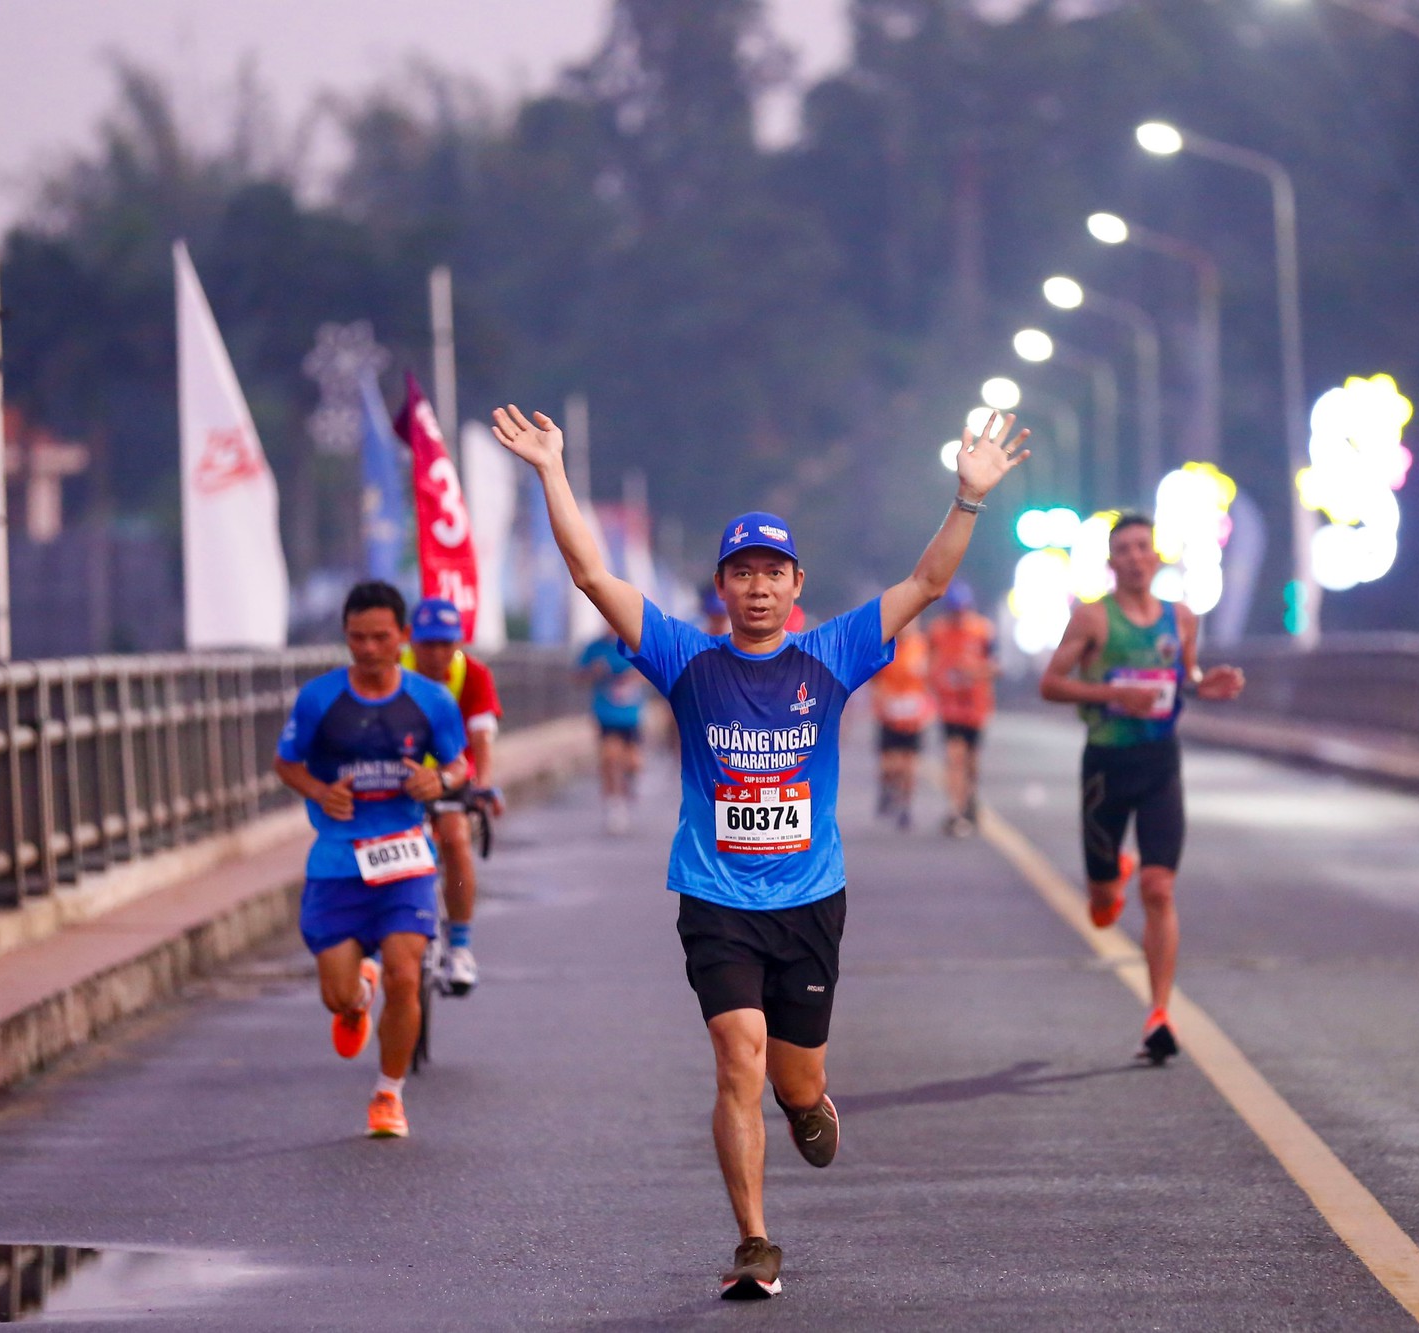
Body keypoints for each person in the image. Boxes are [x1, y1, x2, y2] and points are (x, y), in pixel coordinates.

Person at [492, 400, 1028, 1301]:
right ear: (722, 589)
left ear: (795, 584)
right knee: (736, 1052)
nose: (758, 588)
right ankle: (754, 1239)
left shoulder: (833, 654)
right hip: (716, 895)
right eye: (741, 573)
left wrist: (968, 500)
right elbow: (590, 573)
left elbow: (926, 585)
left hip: (810, 898)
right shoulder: (684, 660)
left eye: (772, 572)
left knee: (791, 1076)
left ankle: (808, 1101)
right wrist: (551, 471)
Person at [1038, 514, 1245, 1065]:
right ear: (1112, 563)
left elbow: (1185, 678)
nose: (1134, 556)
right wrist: (1110, 694)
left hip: (1160, 763)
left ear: (1157, 557)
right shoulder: (1092, 619)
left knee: (1160, 889)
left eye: (1142, 547)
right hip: (1106, 767)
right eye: (1123, 549)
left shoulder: (1182, 619)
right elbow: (1050, 683)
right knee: (1104, 907)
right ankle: (1111, 879)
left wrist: (1206, 686)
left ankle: (1159, 1014)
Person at [274, 580, 471, 1139]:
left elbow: (461, 765)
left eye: (380, 637)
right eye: (357, 638)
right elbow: (286, 763)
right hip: (337, 863)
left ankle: (388, 1095)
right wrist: (318, 791)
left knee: (406, 978)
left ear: (402, 637)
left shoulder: (431, 701)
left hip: (403, 861)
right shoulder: (319, 699)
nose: (368, 649)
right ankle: (358, 992)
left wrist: (440, 779)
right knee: (335, 996)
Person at [402, 597, 504, 996]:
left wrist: (484, 785)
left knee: (457, 838)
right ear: (411, 640)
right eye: (427, 644)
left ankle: (460, 947)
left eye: (446, 643)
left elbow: (481, 737)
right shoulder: (395, 672)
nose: (437, 653)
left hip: (454, 775)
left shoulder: (474, 675)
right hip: (401, 779)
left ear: (459, 641)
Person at [928, 581, 998, 837]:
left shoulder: (982, 630)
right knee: (954, 757)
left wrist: (974, 672)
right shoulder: (938, 631)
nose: (957, 616)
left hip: (976, 706)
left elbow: (996, 665)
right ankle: (956, 811)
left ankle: (969, 798)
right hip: (949, 708)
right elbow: (929, 661)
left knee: (971, 762)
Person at [580, 630, 647, 835]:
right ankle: (614, 805)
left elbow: (653, 673)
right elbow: (577, 676)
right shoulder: (595, 648)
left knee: (633, 763)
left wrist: (634, 676)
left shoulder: (636, 644)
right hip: (606, 715)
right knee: (609, 758)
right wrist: (594, 672)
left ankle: (629, 782)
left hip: (631, 716)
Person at [867, 620, 933, 828]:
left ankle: (906, 806)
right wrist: (883, 701)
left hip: (913, 719)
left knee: (910, 766)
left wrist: (928, 706)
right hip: (890, 716)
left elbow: (930, 679)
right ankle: (887, 787)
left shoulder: (922, 646)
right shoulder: (886, 648)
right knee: (891, 765)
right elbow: (874, 681)